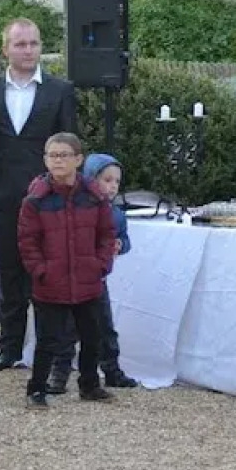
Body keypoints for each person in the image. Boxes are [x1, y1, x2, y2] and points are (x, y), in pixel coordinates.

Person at [0, 18, 79, 371]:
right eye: (20, 44)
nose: (28, 50)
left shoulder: (60, 91)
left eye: (33, 43)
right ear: (6, 49)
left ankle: (52, 351)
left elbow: (70, 145)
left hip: (46, 200)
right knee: (7, 276)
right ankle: (10, 347)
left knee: (46, 277)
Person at [19, 132, 116, 409]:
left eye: (63, 155)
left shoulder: (94, 197)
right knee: (48, 339)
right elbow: (27, 242)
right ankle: (36, 388)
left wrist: (101, 264)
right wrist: (40, 270)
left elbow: (106, 234)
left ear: (78, 159)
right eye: (52, 155)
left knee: (92, 335)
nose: (57, 161)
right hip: (51, 282)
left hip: (88, 279)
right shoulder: (36, 199)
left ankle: (89, 385)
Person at [48, 152, 138, 394]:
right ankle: (59, 374)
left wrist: (120, 244)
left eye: (116, 182)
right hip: (72, 279)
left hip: (97, 280)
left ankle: (111, 370)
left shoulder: (117, 214)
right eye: (106, 180)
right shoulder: (77, 208)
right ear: (90, 179)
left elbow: (125, 240)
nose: (112, 186)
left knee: (104, 326)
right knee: (67, 329)